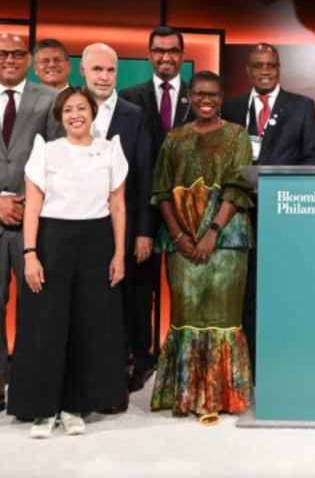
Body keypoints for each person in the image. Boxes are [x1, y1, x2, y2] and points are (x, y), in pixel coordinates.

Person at [8, 86, 129, 438]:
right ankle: (42, 410)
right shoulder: (46, 151)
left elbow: (118, 205)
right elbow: (32, 205)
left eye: (81, 108)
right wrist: (30, 254)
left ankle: (74, 406)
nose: (75, 115)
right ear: (60, 117)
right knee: (43, 326)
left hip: (97, 243)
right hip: (52, 242)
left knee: (88, 327)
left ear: (93, 112)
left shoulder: (110, 149)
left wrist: (118, 253)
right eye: (67, 110)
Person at [0, 33, 61, 424]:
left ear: (29, 59)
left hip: (34, 223)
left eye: (18, 53)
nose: (9, 59)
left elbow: (59, 159)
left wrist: (27, 204)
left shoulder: (51, 100)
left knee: (37, 308)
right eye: (1, 53)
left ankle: (31, 385)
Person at [150, 71, 255, 425]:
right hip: (180, 241)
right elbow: (161, 191)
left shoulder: (238, 135)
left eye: (212, 94)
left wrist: (211, 232)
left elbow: (238, 187)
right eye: (199, 94)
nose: (205, 99)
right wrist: (180, 236)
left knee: (224, 318)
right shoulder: (175, 138)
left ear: (222, 97)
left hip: (227, 239)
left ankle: (223, 396)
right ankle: (185, 395)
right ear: (189, 98)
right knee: (186, 316)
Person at [222, 43, 315, 374]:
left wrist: (286, 192)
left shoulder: (303, 107)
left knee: (282, 290)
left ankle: (283, 362)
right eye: (258, 65)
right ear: (248, 70)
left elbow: (310, 160)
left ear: (279, 69)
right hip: (238, 213)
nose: (265, 71)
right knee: (244, 290)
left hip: (285, 216)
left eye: (271, 65)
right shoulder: (232, 107)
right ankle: (247, 364)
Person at [76, 42, 153, 413]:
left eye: (110, 71)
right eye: (97, 70)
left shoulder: (134, 114)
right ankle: (82, 375)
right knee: (85, 302)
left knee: (120, 303)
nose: (104, 77)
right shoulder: (69, 110)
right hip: (76, 225)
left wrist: (143, 231)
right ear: (83, 72)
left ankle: (116, 378)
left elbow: (144, 176)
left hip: (123, 224)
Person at [119, 26, 192, 392]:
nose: (166, 57)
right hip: (142, 209)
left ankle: (184, 357)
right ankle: (141, 357)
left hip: (187, 212)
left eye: (173, 51)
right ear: (149, 54)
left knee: (187, 287)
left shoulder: (200, 97)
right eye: (159, 51)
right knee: (138, 289)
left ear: (182, 54)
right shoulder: (129, 97)